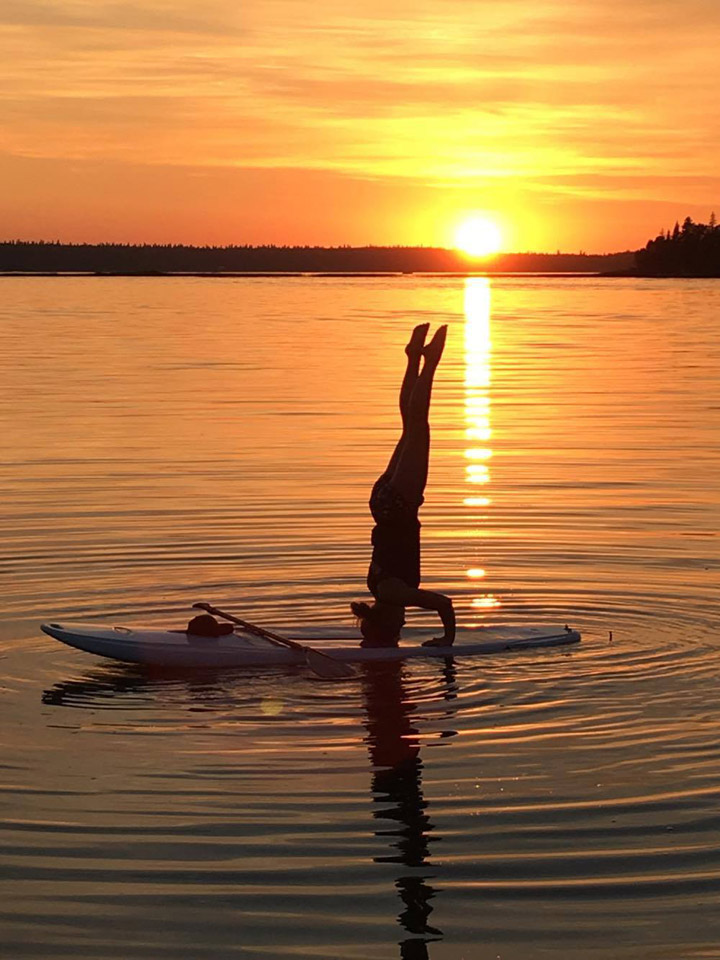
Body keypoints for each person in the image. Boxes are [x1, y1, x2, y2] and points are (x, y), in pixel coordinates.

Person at [351, 324, 456, 648]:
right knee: (409, 425)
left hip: (399, 505)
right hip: (381, 505)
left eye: (398, 627)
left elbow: (444, 603)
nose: (404, 622)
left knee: (419, 424)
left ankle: (430, 362)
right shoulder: (376, 587)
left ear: (388, 619)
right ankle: (412, 358)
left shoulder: (396, 595)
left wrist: (447, 641)